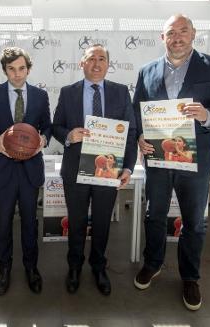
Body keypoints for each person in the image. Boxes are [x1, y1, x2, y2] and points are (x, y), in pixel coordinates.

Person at [132, 14, 210, 310]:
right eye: (171, 33)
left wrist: (207, 116)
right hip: (158, 159)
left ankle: (190, 277)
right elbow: (137, 112)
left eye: (183, 31)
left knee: (194, 223)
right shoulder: (146, 71)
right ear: (162, 38)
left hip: (196, 162)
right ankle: (152, 263)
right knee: (154, 216)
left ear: (193, 35)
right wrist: (139, 136)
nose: (177, 37)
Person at [52, 44, 137, 296]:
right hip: (75, 170)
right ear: (82, 63)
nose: (97, 64)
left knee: (102, 223)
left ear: (108, 65)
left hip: (108, 172)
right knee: (76, 223)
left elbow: (130, 133)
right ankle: (75, 267)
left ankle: (99, 267)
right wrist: (69, 134)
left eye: (102, 59)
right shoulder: (68, 93)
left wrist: (128, 168)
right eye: (91, 59)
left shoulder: (121, 93)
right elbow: (56, 126)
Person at [0, 47, 51, 296]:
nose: (17, 74)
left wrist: (44, 140)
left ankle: (31, 267)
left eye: (21, 68)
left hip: (30, 169)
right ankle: (4, 267)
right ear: (5, 70)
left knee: (30, 221)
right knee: (3, 222)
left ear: (28, 69)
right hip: (3, 168)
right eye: (11, 69)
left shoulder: (40, 95)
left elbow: (48, 127)